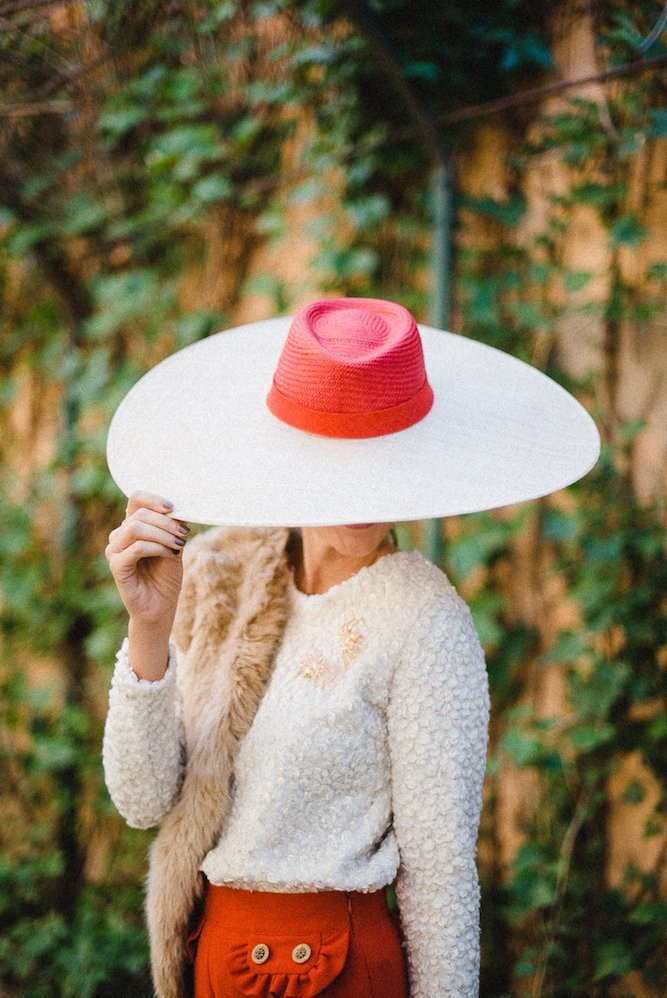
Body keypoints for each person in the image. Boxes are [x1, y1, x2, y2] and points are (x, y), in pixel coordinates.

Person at [103, 298, 599, 998]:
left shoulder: (423, 617)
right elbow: (143, 801)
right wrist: (149, 628)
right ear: (295, 448)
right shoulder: (219, 576)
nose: (365, 487)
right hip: (212, 961)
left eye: (384, 452)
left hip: (337, 973)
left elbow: (439, 872)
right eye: (341, 453)